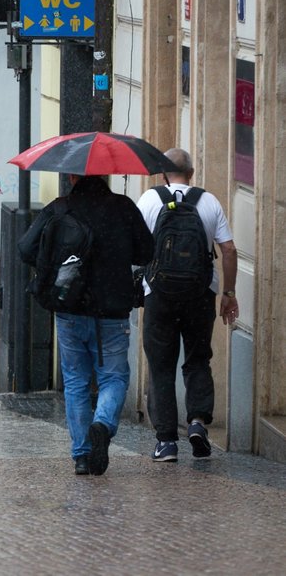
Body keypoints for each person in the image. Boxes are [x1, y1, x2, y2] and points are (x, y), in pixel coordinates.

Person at [19, 175, 154, 476]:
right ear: (105, 175)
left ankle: (81, 454)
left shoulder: (60, 208)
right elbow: (147, 252)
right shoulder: (123, 207)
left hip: (69, 307)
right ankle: (102, 425)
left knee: (76, 381)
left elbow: (25, 249)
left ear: (71, 177)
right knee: (114, 378)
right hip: (112, 311)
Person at [136, 148, 238, 462]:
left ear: (163, 173)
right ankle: (197, 421)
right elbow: (230, 250)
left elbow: (135, 247)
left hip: (159, 294)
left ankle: (166, 442)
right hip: (200, 294)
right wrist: (228, 293)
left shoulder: (150, 200)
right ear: (191, 174)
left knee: (161, 366)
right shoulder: (208, 201)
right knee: (197, 359)